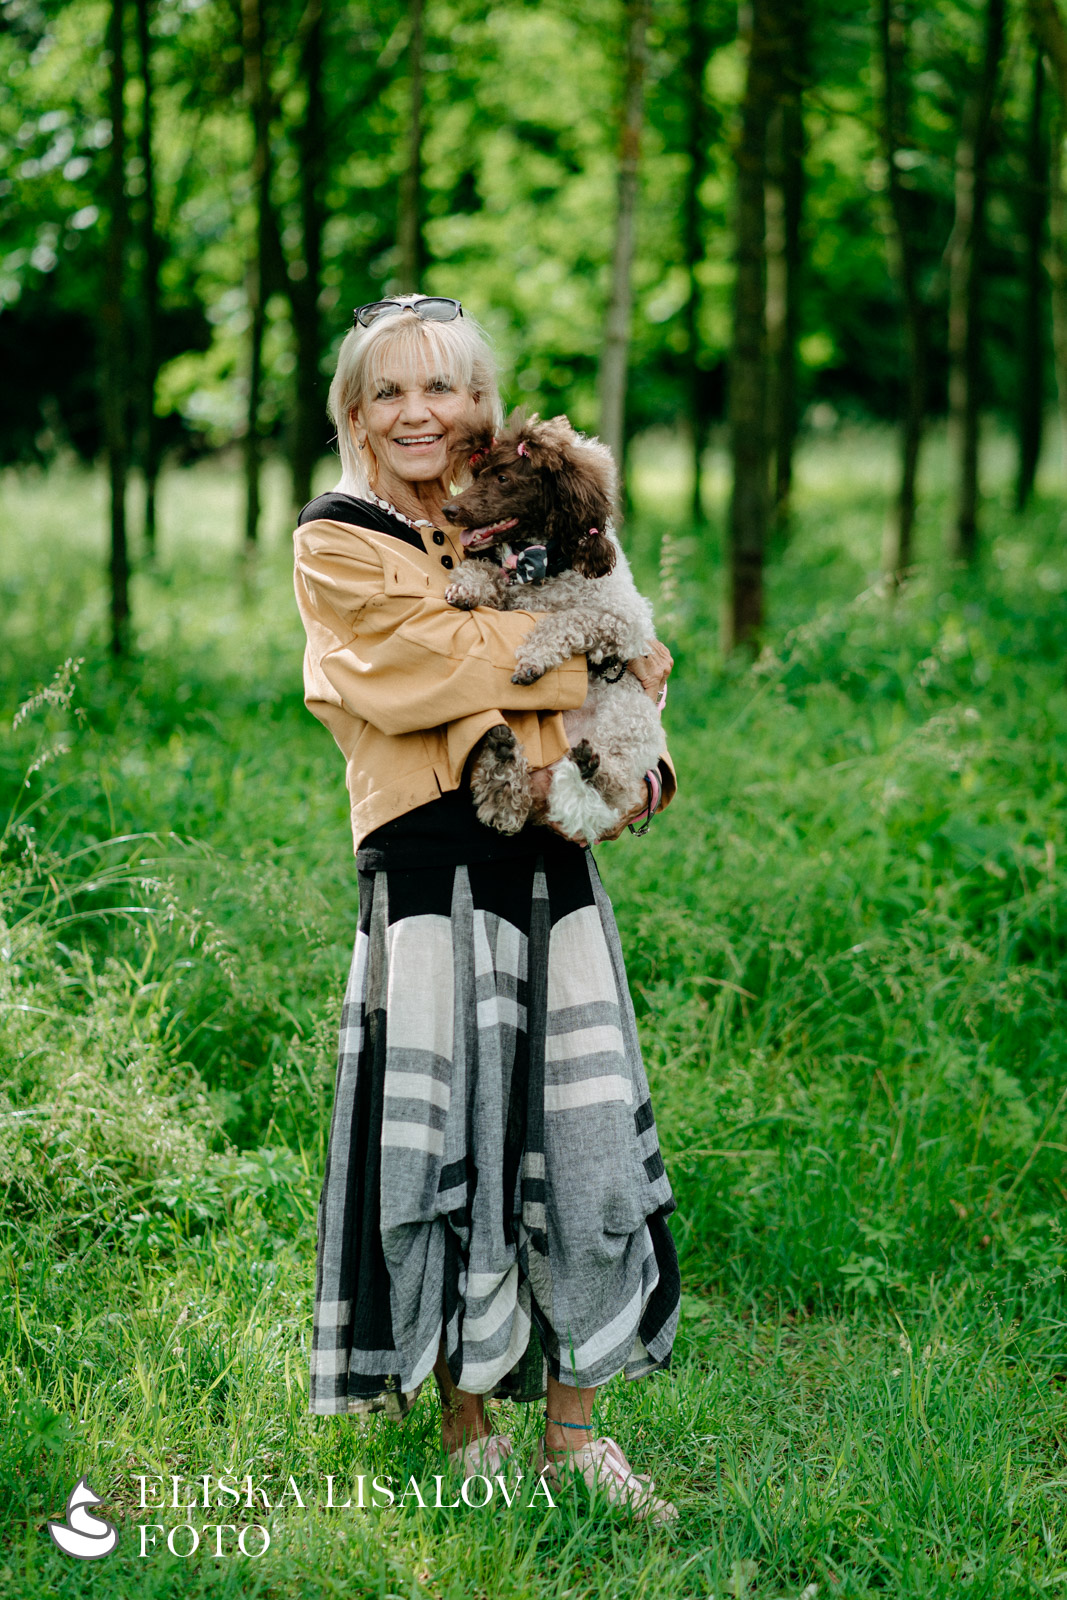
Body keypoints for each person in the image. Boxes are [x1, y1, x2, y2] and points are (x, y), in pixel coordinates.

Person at [292, 294, 681, 1524]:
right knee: (448, 1148)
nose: (420, 413)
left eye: (445, 386)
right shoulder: (338, 538)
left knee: (575, 1139)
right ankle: (468, 1424)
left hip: (549, 863)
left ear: (481, 403)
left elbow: (630, 658)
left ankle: (575, 1435)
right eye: (390, 391)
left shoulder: (532, 514)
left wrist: (630, 717)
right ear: (356, 413)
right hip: (425, 867)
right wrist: (596, 651)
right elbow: (429, 671)